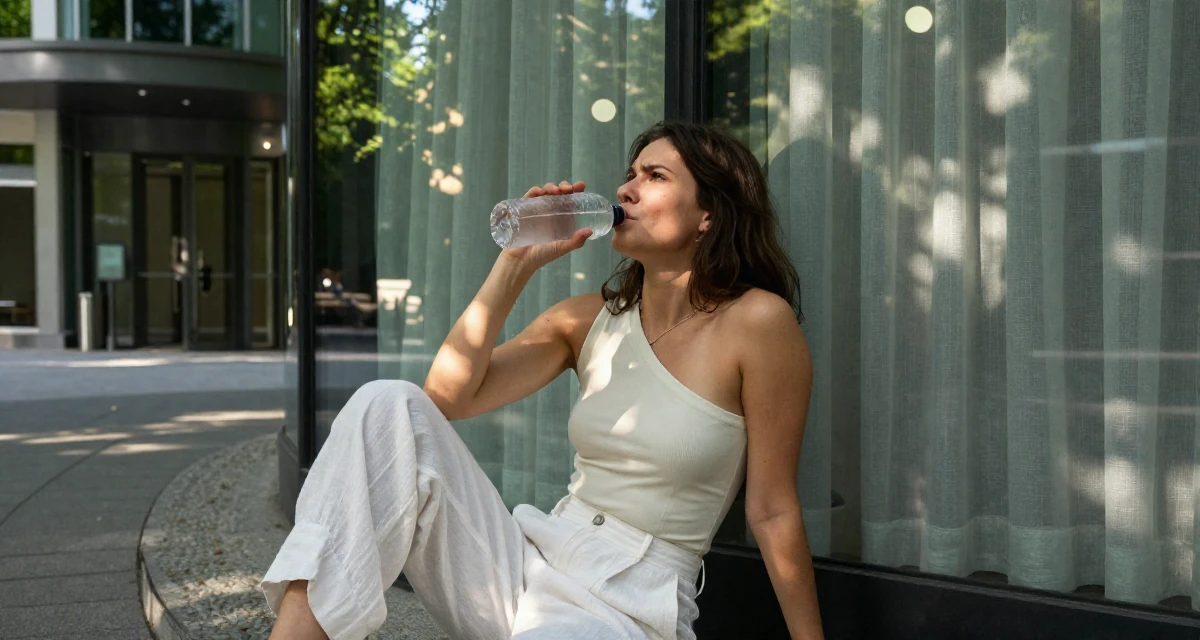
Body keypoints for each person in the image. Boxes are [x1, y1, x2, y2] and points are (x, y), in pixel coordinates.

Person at [260, 121, 825, 640]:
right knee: (386, 404)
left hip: (629, 605)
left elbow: (772, 510)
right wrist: (515, 264)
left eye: (655, 177)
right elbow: (445, 401)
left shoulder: (756, 322)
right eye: (630, 174)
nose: (626, 190)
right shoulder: (587, 319)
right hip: (527, 565)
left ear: (710, 214)